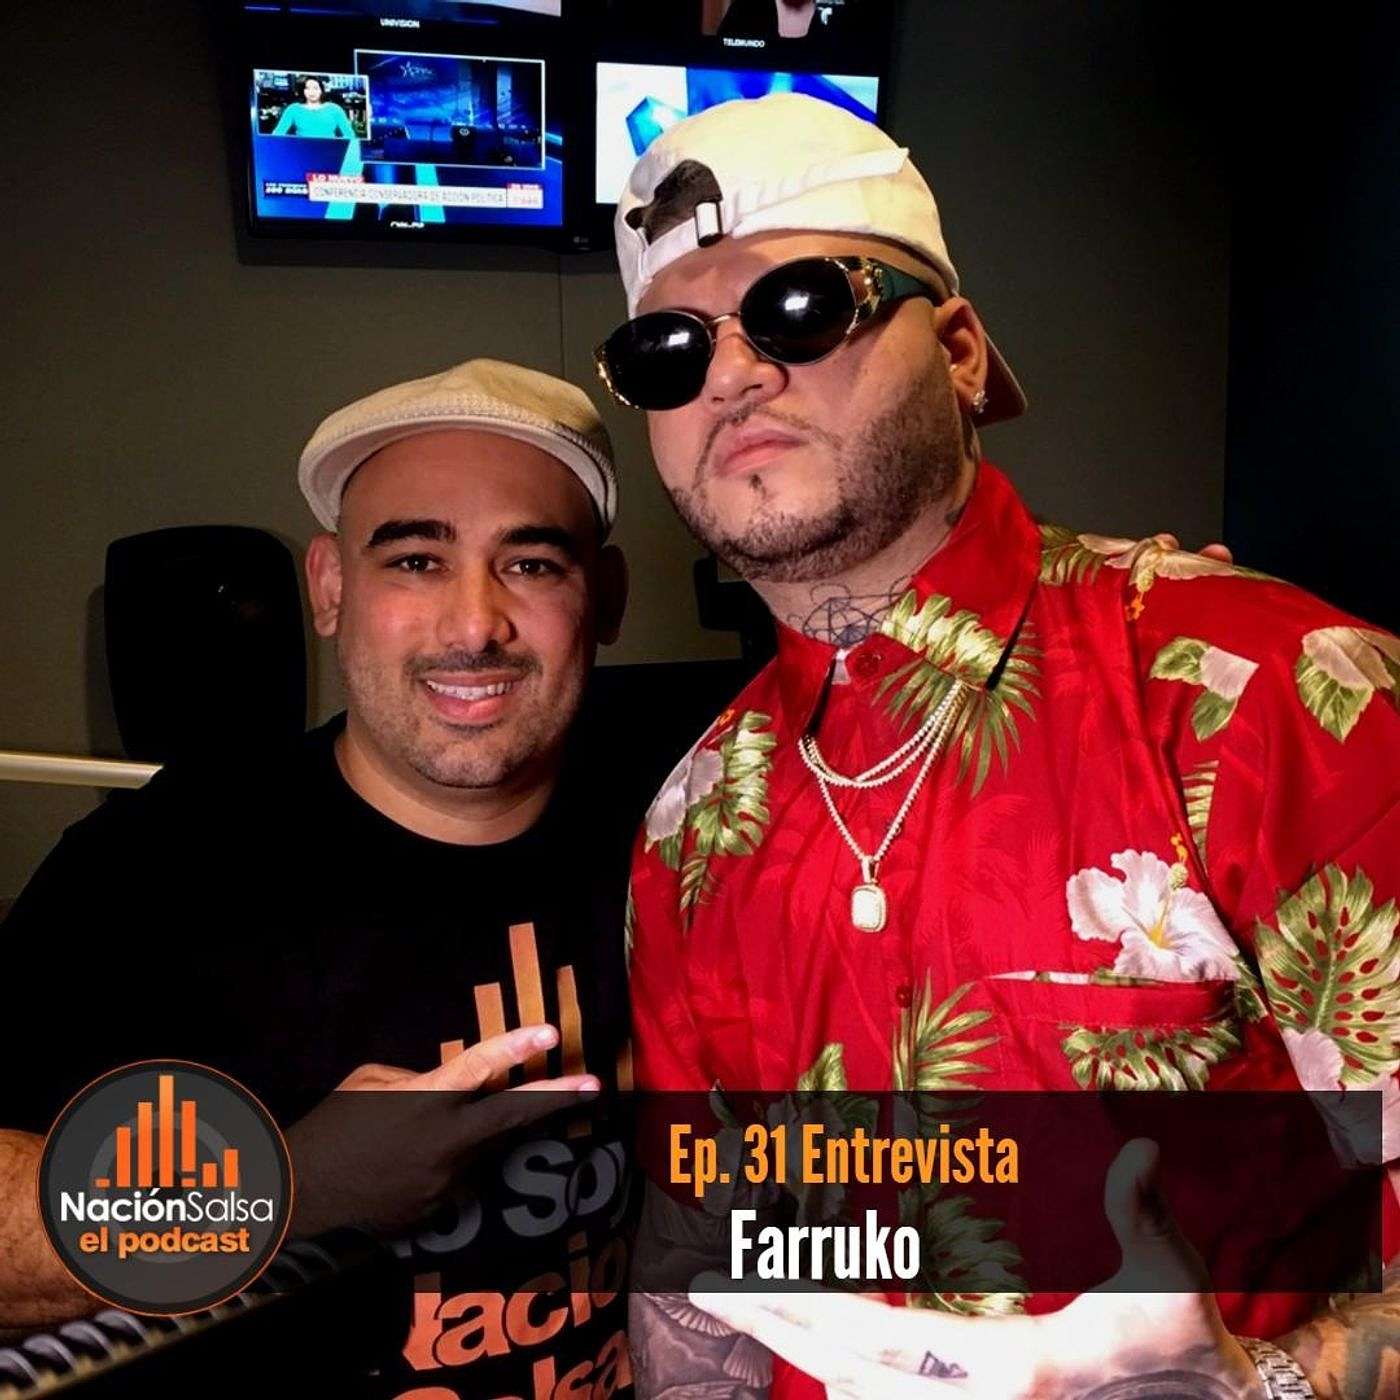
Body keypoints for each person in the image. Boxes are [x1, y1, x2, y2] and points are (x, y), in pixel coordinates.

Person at [600, 93, 1400, 1397]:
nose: (730, 373)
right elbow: (711, 1271)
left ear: (961, 353)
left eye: (800, 305)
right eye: (666, 350)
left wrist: (1260, 1384)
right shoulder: (691, 824)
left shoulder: (1268, 695)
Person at [0, 359, 638, 1398]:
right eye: (416, 560)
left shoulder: (687, 825)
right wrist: (283, 1191)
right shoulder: (157, 866)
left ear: (603, 597)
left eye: (529, 563)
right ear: (331, 588)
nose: (473, 624)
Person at [272, 75, 357, 139]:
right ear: (302, 91)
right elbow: (277, 135)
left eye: (315, 88)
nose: (311, 92)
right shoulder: (293, 109)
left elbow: (350, 136)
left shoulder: (335, 109)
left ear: (321, 90)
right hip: (300, 151)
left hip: (330, 151)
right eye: (307, 88)